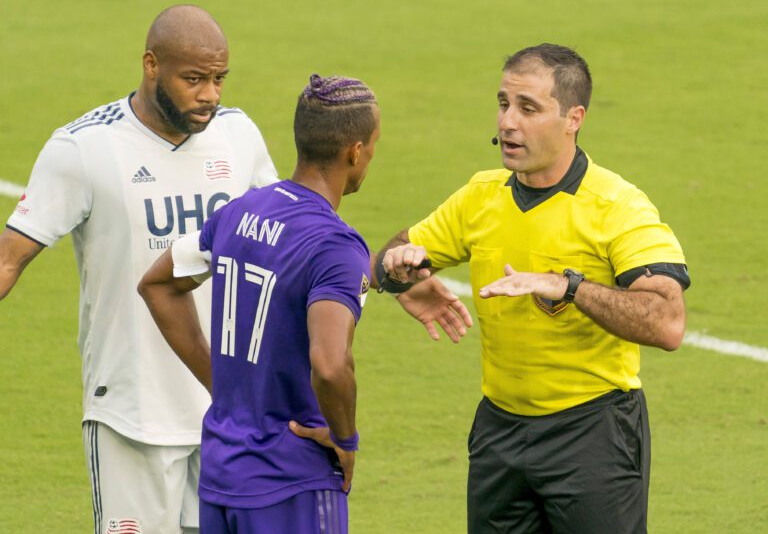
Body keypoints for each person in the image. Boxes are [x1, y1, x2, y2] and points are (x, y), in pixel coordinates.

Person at [374, 43, 690, 533]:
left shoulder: (618, 206)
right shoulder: (481, 195)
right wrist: (399, 274)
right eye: (503, 104)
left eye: (528, 108)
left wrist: (568, 287)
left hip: (593, 434)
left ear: (573, 117)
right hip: (499, 432)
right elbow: (391, 257)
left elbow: (668, 322)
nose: (507, 122)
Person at [138, 74, 471, 534]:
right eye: (373, 146)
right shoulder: (336, 244)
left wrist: (225, 387)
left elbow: (158, 284)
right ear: (355, 151)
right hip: (291, 482)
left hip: (221, 474)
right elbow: (330, 365)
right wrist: (344, 438)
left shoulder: (240, 211)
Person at [0, 5, 278, 534]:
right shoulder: (85, 148)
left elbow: (285, 239)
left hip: (228, 408)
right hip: (132, 411)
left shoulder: (239, 137)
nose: (210, 96)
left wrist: (380, 274)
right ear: (151, 65)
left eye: (219, 79)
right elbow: (9, 258)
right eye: (194, 79)